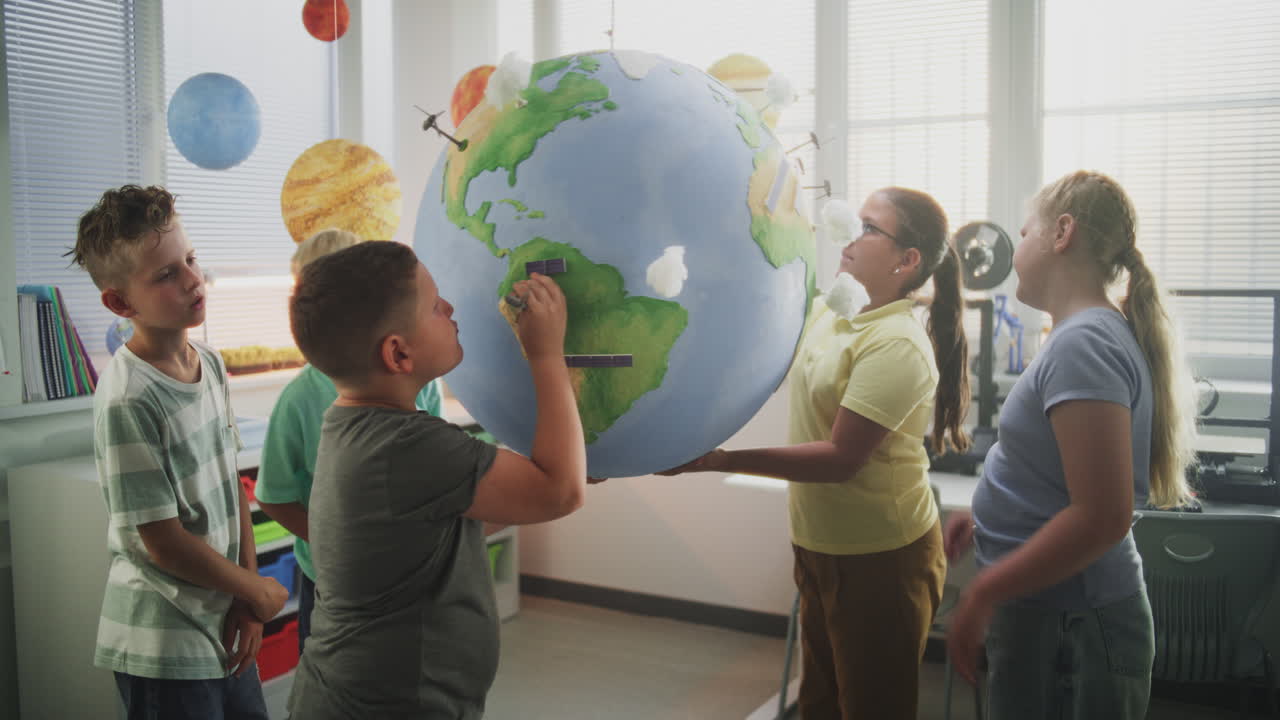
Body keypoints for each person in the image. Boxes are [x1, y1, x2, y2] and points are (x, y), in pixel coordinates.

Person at [662, 187, 970, 719]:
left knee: (872, 709)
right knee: (820, 704)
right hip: (818, 542)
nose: (851, 231)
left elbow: (839, 459)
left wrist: (721, 459)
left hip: (881, 557)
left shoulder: (896, 342)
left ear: (908, 260)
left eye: (870, 227)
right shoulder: (832, 309)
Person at [285, 241, 587, 718]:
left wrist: (537, 483)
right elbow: (562, 493)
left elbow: (439, 532)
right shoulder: (406, 445)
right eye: (433, 305)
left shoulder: (357, 423)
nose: (449, 308)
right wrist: (547, 353)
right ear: (398, 353)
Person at [943, 170, 1196, 719]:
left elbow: (1103, 515)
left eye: (1025, 232)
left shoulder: (1083, 343)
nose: (1017, 246)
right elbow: (1059, 478)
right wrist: (988, 520)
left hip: (1069, 622)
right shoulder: (1081, 334)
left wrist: (985, 592)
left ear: (1062, 232)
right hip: (1048, 611)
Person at [72, 185, 289, 718]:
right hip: (163, 641)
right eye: (166, 274)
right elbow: (163, 541)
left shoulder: (210, 364)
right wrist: (255, 588)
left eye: (189, 260)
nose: (193, 279)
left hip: (221, 621)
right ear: (121, 303)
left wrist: (246, 596)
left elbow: (230, 483)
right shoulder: (128, 397)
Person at [254, 229, 445, 654]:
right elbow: (274, 494)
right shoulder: (300, 397)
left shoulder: (422, 382)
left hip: (409, 574)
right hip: (333, 583)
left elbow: (447, 472)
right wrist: (332, 540)